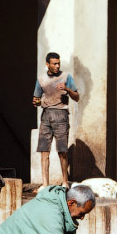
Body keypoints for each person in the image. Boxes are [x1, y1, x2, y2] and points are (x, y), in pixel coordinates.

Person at [33, 52, 79, 187]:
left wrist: (67, 89)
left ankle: (65, 182)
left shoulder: (66, 77)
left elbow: (76, 97)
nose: (57, 66)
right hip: (46, 115)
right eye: (54, 63)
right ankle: (45, 184)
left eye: (58, 63)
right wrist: (36, 102)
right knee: (44, 150)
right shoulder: (41, 79)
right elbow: (36, 97)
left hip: (61, 115)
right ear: (47, 64)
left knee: (62, 150)